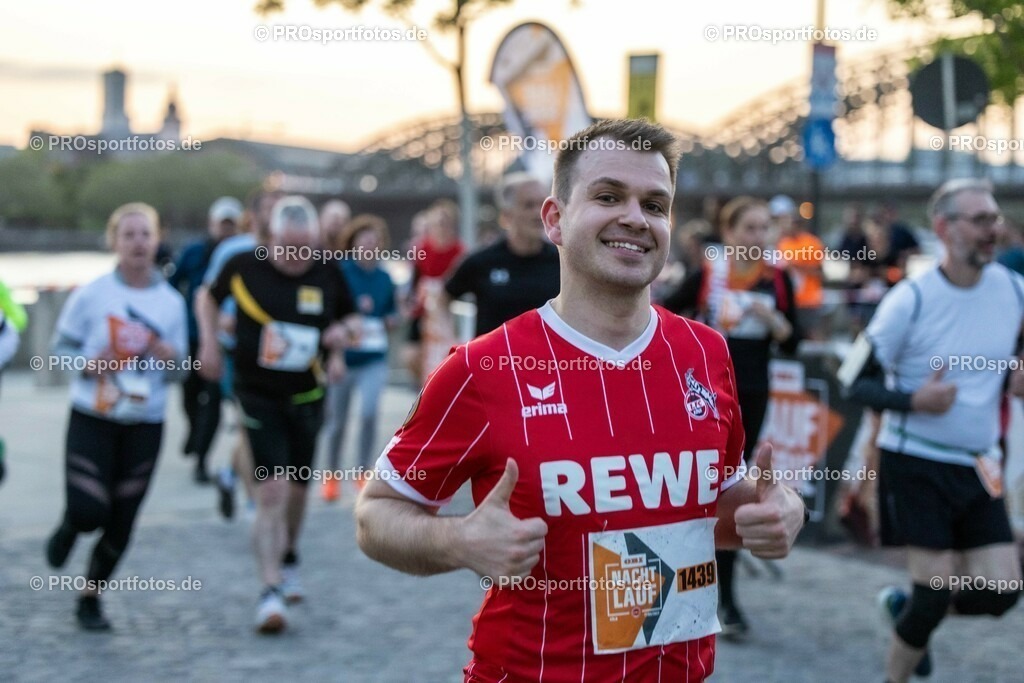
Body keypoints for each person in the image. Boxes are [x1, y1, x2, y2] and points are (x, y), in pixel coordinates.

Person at [356, 119, 805, 681]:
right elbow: (376, 515)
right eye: (608, 196)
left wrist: (779, 510)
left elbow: (708, 504)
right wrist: (456, 540)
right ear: (556, 219)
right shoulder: (482, 368)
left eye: (655, 204)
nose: (635, 219)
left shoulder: (705, 352)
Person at [847, 178, 1023, 683]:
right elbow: (855, 382)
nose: (996, 228)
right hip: (915, 461)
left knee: (1002, 594)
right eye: (981, 220)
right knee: (935, 592)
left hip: (978, 464)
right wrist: (913, 400)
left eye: (995, 217)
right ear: (944, 229)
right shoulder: (910, 300)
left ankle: (904, 610)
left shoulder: (1013, 289)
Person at [197, 196, 357, 633]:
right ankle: (269, 591)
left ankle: (289, 556)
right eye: (289, 248)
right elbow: (206, 299)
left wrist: (341, 336)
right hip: (256, 393)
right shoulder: (243, 265)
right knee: (271, 491)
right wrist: (208, 342)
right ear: (271, 238)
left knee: (298, 492)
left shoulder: (327, 270)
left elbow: (351, 321)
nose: (297, 257)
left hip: (307, 394)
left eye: (305, 247)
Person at [661, 195, 801, 638]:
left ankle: (728, 600)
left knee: (737, 489)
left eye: (764, 228)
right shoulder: (709, 274)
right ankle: (685, 583)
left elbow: (792, 342)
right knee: (701, 487)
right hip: (705, 396)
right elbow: (664, 315)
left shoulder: (777, 279)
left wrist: (772, 320)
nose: (758, 237)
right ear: (730, 234)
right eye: (749, 228)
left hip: (754, 393)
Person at [44, 202, 189, 630]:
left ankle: (90, 598)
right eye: (129, 235)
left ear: (157, 239)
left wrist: (170, 356)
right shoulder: (92, 294)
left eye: (145, 234)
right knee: (90, 510)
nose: (138, 243)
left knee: (122, 520)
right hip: (93, 416)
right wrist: (89, 364)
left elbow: (182, 372)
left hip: (146, 422)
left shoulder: (171, 303)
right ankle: (72, 523)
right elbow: (59, 352)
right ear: (114, 243)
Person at [320, 214, 399, 502]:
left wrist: (392, 319)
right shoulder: (340, 273)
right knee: (337, 421)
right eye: (363, 240)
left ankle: (363, 472)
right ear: (352, 244)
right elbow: (328, 314)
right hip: (343, 358)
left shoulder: (385, 277)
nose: (369, 246)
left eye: (375, 241)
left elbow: (392, 311)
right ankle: (330, 475)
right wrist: (335, 353)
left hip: (373, 357)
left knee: (368, 413)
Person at [170, 196, 242, 483]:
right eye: (222, 223)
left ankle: (200, 459)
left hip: (222, 340)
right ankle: (193, 430)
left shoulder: (243, 256)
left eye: (231, 224)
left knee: (212, 401)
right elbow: (173, 285)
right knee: (189, 394)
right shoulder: (194, 252)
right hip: (190, 334)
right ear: (212, 224)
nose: (226, 229)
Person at [445, 172, 560, 337]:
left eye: (542, 204)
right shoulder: (482, 261)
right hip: (493, 361)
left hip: (545, 362)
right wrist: (446, 337)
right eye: (528, 205)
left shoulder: (562, 261)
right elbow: (442, 296)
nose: (538, 213)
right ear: (507, 215)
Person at [772, 195, 825, 340]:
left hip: (809, 301)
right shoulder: (781, 243)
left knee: (813, 335)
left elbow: (819, 272)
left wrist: (796, 265)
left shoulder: (812, 243)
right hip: (789, 301)